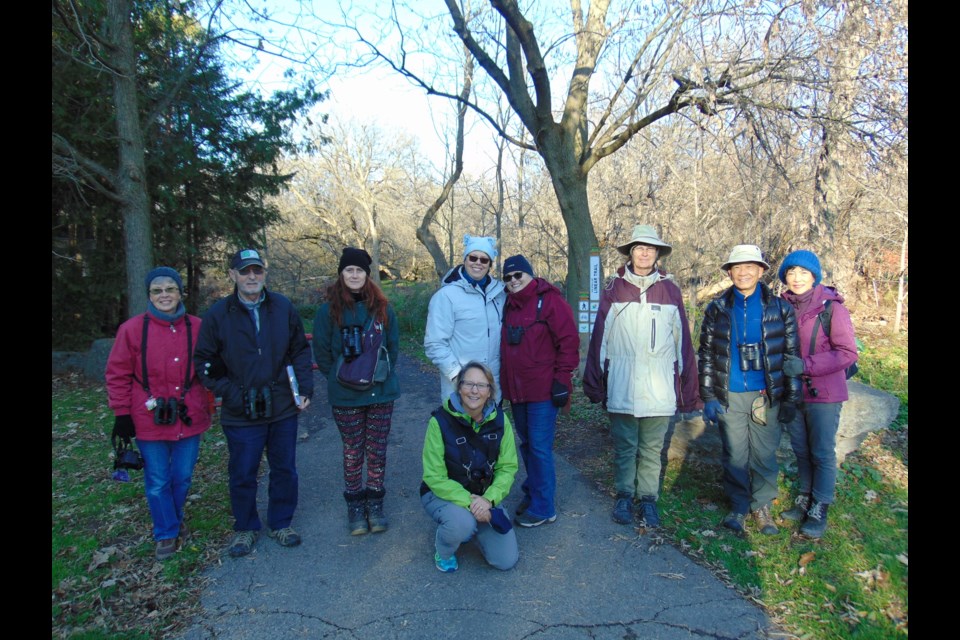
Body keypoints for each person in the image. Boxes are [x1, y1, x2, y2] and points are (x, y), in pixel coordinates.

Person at [193, 248, 314, 557]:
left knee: (284, 468)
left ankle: (280, 522)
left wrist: (303, 388)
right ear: (233, 275)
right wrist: (232, 393)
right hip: (240, 408)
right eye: (244, 271)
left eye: (257, 271)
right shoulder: (218, 314)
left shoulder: (282, 307)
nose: (251, 277)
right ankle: (246, 527)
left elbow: (300, 350)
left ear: (264, 273)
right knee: (243, 471)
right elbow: (204, 362)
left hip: (281, 404)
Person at [583, 225, 701, 528]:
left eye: (650, 248)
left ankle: (648, 498)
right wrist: (595, 383)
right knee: (624, 446)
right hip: (622, 384)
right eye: (639, 247)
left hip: (659, 388)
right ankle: (624, 494)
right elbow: (600, 340)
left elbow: (682, 345)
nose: (645, 252)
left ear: (657, 253)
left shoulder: (671, 291)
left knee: (651, 449)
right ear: (631, 252)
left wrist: (688, 392)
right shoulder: (614, 290)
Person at [105, 266, 212, 560]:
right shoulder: (132, 329)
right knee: (157, 479)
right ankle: (166, 532)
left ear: (180, 292)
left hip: (189, 414)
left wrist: (213, 402)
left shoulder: (199, 326)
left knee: (183, 476)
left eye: (170, 289)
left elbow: (209, 369)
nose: (164, 295)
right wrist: (122, 413)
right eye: (157, 290)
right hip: (148, 416)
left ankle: (173, 520)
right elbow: (117, 373)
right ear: (149, 295)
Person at [698, 244, 802, 535]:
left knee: (764, 453)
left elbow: (791, 357)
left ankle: (762, 506)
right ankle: (739, 506)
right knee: (734, 453)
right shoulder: (717, 308)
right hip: (729, 393)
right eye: (737, 267)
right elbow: (706, 354)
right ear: (730, 272)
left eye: (749, 267)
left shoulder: (780, 308)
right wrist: (707, 396)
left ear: (760, 271)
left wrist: (791, 397)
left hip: (764, 395)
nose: (743, 272)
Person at [313, 247, 400, 535]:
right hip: (344, 394)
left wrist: (375, 374)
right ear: (341, 274)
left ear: (367, 274)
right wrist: (341, 377)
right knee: (353, 451)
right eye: (348, 270)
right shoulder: (328, 311)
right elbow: (322, 353)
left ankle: (375, 504)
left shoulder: (383, 308)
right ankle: (354, 506)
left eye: (359, 270)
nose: (354, 274)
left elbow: (393, 349)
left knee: (376, 451)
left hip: (380, 392)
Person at [777, 250, 858, 539]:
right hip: (793, 392)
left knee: (822, 452)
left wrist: (806, 366)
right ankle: (804, 497)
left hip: (824, 393)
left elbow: (847, 353)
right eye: (790, 272)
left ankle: (819, 506)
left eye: (803, 272)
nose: (796, 278)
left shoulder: (831, 308)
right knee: (800, 449)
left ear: (814, 276)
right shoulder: (782, 305)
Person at [499, 254, 579, 527]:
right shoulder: (507, 304)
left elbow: (569, 341)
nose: (513, 281)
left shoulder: (550, 301)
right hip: (516, 390)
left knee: (540, 448)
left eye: (518, 275)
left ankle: (544, 507)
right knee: (527, 445)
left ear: (530, 274)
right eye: (507, 278)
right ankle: (534, 492)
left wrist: (562, 379)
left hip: (543, 391)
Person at [420, 362, 519, 572]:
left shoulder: (501, 421)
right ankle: (445, 549)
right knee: (461, 525)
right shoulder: (439, 422)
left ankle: (474, 527)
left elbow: (508, 468)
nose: (474, 390)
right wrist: (473, 504)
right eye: (469, 384)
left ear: (490, 391)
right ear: (459, 387)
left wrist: (489, 499)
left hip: (485, 496)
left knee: (506, 560)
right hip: (442, 494)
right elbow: (434, 476)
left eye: (482, 385)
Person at [424, 234, 506, 403]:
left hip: (492, 388)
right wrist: (458, 377)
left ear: (490, 264)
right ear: (465, 259)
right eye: (473, 257)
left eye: (484, 260)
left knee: (490, 429)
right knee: (461, 430)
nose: (478, 263)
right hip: (459, 389)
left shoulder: (500, 295)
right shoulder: (446, 296)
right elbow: (435, 344)